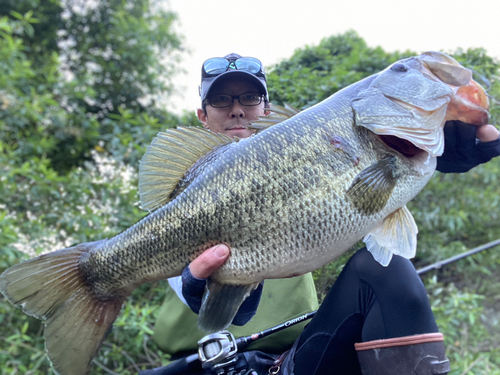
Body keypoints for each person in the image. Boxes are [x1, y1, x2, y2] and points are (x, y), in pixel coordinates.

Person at [149, 53, 500, 375]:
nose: (237, 110)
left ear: (267, 108)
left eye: (249, 98)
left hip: (297, 359)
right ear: (202, 115)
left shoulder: (314, 151)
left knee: (386, 267)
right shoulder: (185, 194)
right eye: (221, 99)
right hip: (204, 368)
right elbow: (218, 302)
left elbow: (355, 192)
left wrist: (431, 149)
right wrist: (219, 292)